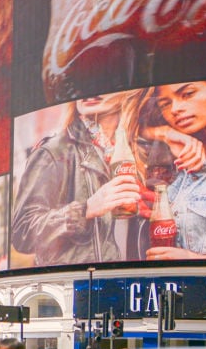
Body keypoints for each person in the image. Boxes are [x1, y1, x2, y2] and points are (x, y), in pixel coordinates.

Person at [12, 91, 145, 265]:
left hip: (128, 282)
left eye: (103, 82)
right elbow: (22, 233)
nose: (90, 91)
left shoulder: (135, 149)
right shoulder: (54, 152)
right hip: (77, 285)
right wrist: (85, 210)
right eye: (83, 84)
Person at [144, 79, 206, 260]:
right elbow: (126, 127)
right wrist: (165, 133)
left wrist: (196, 261)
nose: (175, 109)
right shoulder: (179, 149)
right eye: (165, 104)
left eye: (187, 94)